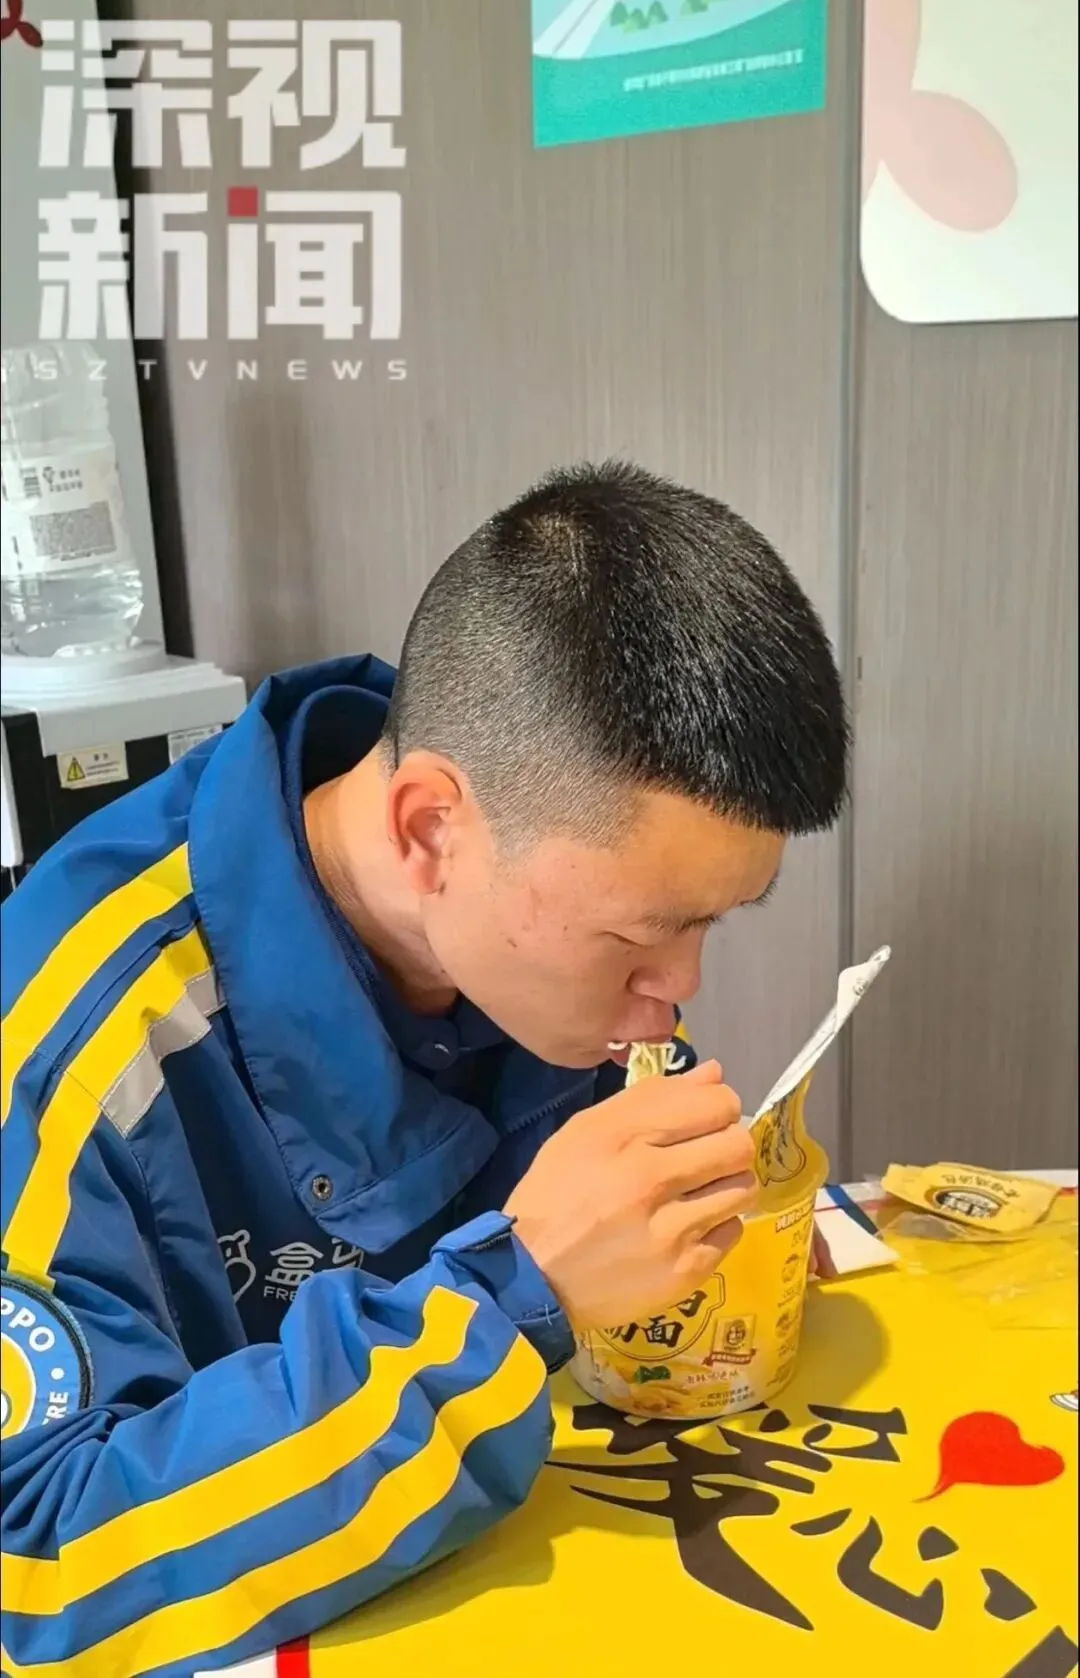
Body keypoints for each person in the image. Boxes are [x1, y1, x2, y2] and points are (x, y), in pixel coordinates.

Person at [0, 462, 847, 1676]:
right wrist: (515, 1298)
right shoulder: (76, 1025)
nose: (679, 990)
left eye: (713, 922)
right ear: (428, 828)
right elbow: (33, 1563)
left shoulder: (526, 905)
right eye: (639, 934)